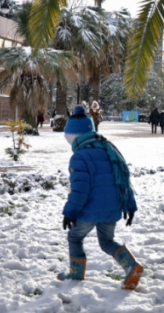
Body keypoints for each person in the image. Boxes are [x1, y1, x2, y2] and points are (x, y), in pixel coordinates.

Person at [57, 106, 143, 290]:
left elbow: (80, 189)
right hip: (112, 208)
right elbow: (124, 180)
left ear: (73, 136)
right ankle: (131, 267)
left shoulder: (79, 156)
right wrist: (130, 206)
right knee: (107, 242)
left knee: (74, 237)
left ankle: (75, 274)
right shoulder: (109, 149)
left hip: (89, 210)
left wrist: (70, 212)